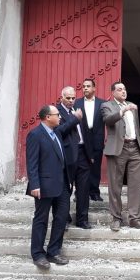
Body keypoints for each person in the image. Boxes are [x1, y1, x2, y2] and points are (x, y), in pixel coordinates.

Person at [26, 105, 71, 268]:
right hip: (43, 186)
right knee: (41, 219)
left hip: (62, 185)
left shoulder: (56, 132)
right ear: (47, 117)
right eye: (57, 114)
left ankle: (53, 252)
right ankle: (38, 254)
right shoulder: (35, 135)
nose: (60, 117)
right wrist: (34, 184)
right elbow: (32, 162)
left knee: (61, 218)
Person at [102, 82, 140, 231]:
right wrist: (122, 111)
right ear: (113, 92)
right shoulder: (107, 105)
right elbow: (108, 120)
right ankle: (116, 218)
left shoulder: (131, 106)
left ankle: (134, 218)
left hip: (135, 148)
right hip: (118, 149)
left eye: (125, 89)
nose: (123, 91)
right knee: (115, 185)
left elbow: (137, 129)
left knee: (135, 186)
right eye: (120, 89)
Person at [56, 86, 93, 229]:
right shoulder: (56, 112)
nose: (71, 100)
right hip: (68, 155)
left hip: (83, 153)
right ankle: (64, 219)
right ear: (61, 98)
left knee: (83, 189)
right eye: (68, 98)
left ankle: (82, 220)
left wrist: (90, 154)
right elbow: (59, 132)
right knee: (65, 189)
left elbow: (86, 132)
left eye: (73, 98)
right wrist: (74, 119)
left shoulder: (77, 110)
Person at [74, 78, 105, 202]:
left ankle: (94, 192)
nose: (85, 88)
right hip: (81, 138)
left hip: (96, 137)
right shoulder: (76, 103)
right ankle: (79, 192)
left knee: (95, 167)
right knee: (80, 167)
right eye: (84, 86)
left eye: (88, 86)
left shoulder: (102, 103)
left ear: (94, 88)